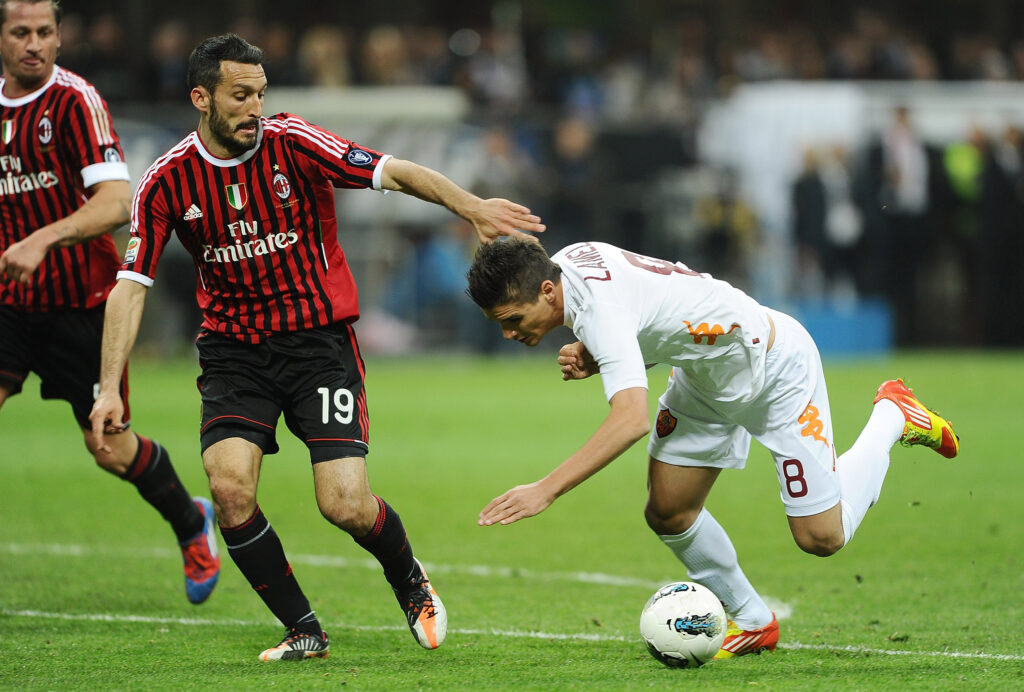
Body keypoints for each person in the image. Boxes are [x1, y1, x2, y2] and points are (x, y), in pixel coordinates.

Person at [88, 33, 544, 662]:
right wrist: (109, 385)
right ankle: (304, 628)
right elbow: (130, 286)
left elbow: (395, 172)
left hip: (317, 346)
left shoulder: (295, 143)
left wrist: (469, 207)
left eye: (260, 94)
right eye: (239, 95)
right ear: (202, 97)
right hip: (234, 353)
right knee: (229, 489)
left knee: (344, 504)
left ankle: (409, 579)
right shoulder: (165, 182)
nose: (254, 107)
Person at [466, 238, 958, 659]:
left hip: (775, 372)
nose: (509, 333)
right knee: (669, 510)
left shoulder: (600, 314)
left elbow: (630, 419)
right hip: (704, 379)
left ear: (548, 291)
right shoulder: (568, 261)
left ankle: (893, 415)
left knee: (821, 538)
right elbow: (658, 301)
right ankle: (754, 620)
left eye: (512, 318)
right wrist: (598, 353)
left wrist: (545, 490)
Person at [0, 0, 220, 604]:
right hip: (9, 305)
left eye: (45, 32)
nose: (34, 44)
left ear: (60, 37)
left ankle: (190, 521)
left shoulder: (74, 102)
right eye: (21, 32)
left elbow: (117, 203)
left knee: (108, 447)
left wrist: (41, 238)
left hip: (83, 304)